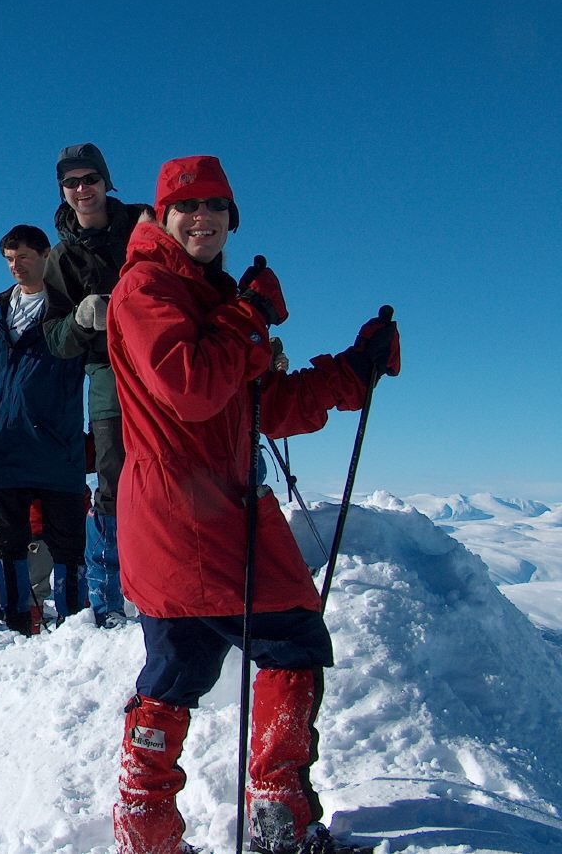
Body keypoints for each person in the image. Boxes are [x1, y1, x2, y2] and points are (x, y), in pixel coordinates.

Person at [105, 155, 400, 854]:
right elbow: (194, 387)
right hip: (190, 516)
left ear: (231, 220)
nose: (202, 218)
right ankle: (278, 820)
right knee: (290, 641)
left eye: (216, 207)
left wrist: (350, 371)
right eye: (187, 207)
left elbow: (258, 404)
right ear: (163, 217)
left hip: (189, 518)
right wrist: (252, 313)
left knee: (177, 671)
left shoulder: (205, 298)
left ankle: (145, 831)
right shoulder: (145, 288)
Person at [0, 224, 88, 635]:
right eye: (10, 259)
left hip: (54, 442)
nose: (16, 266)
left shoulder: (68, 308)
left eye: (25, 257)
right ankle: (15, 621)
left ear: (46, 255)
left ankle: (73, 624)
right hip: (1, 442)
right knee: (6, 539)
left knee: (67, 542)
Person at [42, 143, 147, 627]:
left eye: (91, 179)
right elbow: (57, 340)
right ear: (62, 190)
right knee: (113, 477)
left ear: (107, 182)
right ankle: (108, 603)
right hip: (108, 374)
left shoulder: (145, 228)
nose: (83, 189)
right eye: (72, 182)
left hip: (163, 362)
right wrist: (85, 319)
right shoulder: (60, 258)